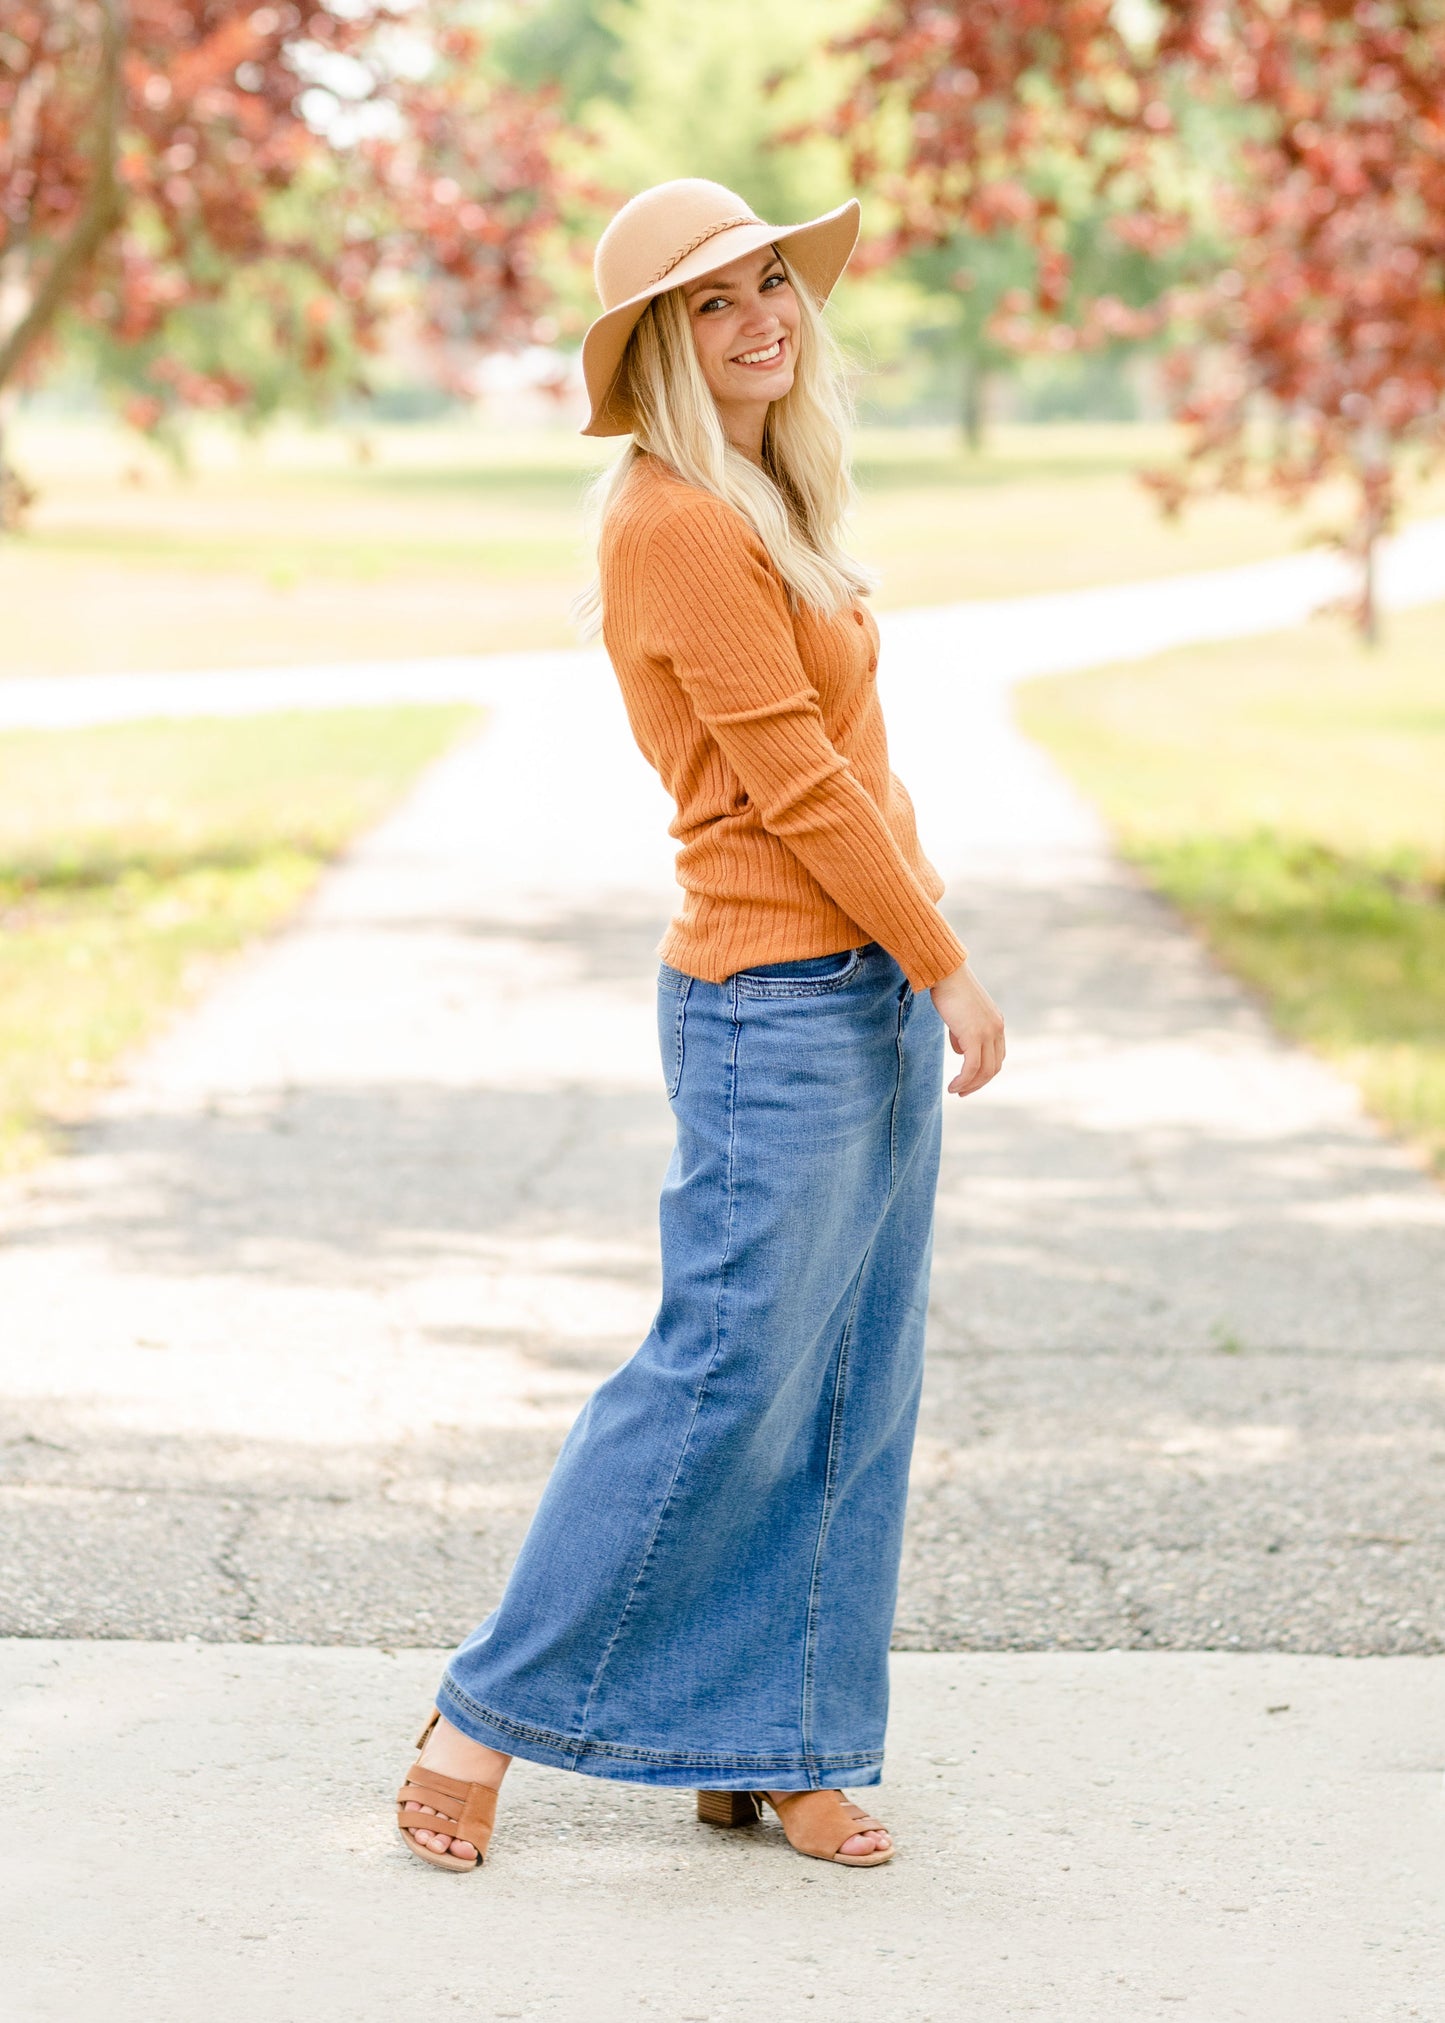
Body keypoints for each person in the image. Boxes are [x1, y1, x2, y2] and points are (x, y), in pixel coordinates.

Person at [395, 177, 1005, 1874]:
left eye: (769, 288)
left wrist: (908, 951)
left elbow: (851, 762)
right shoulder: (672, 516)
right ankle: (479, 1716)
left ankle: (772, 1744)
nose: (762, 321)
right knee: (720, 1376)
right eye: (713, 304)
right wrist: (942, 953)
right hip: (775, 1004)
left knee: (846, 1390)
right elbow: (796, 784)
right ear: (656, 346)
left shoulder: (762, 491)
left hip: (854, 986)